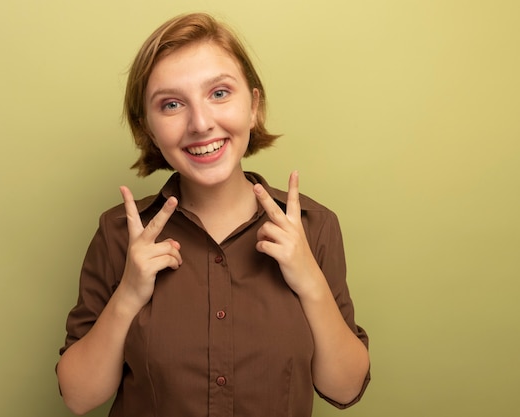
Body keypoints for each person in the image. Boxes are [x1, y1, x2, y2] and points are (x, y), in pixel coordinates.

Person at [57, 12, 370, 417]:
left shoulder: (315, 226)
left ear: (254, 105)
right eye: (171, 104)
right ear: (149, 129)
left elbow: (345, 389)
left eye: (219, 93)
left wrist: (310, 281)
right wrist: (129, 294)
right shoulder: (119, 233)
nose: (201, 123)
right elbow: (79, 398)